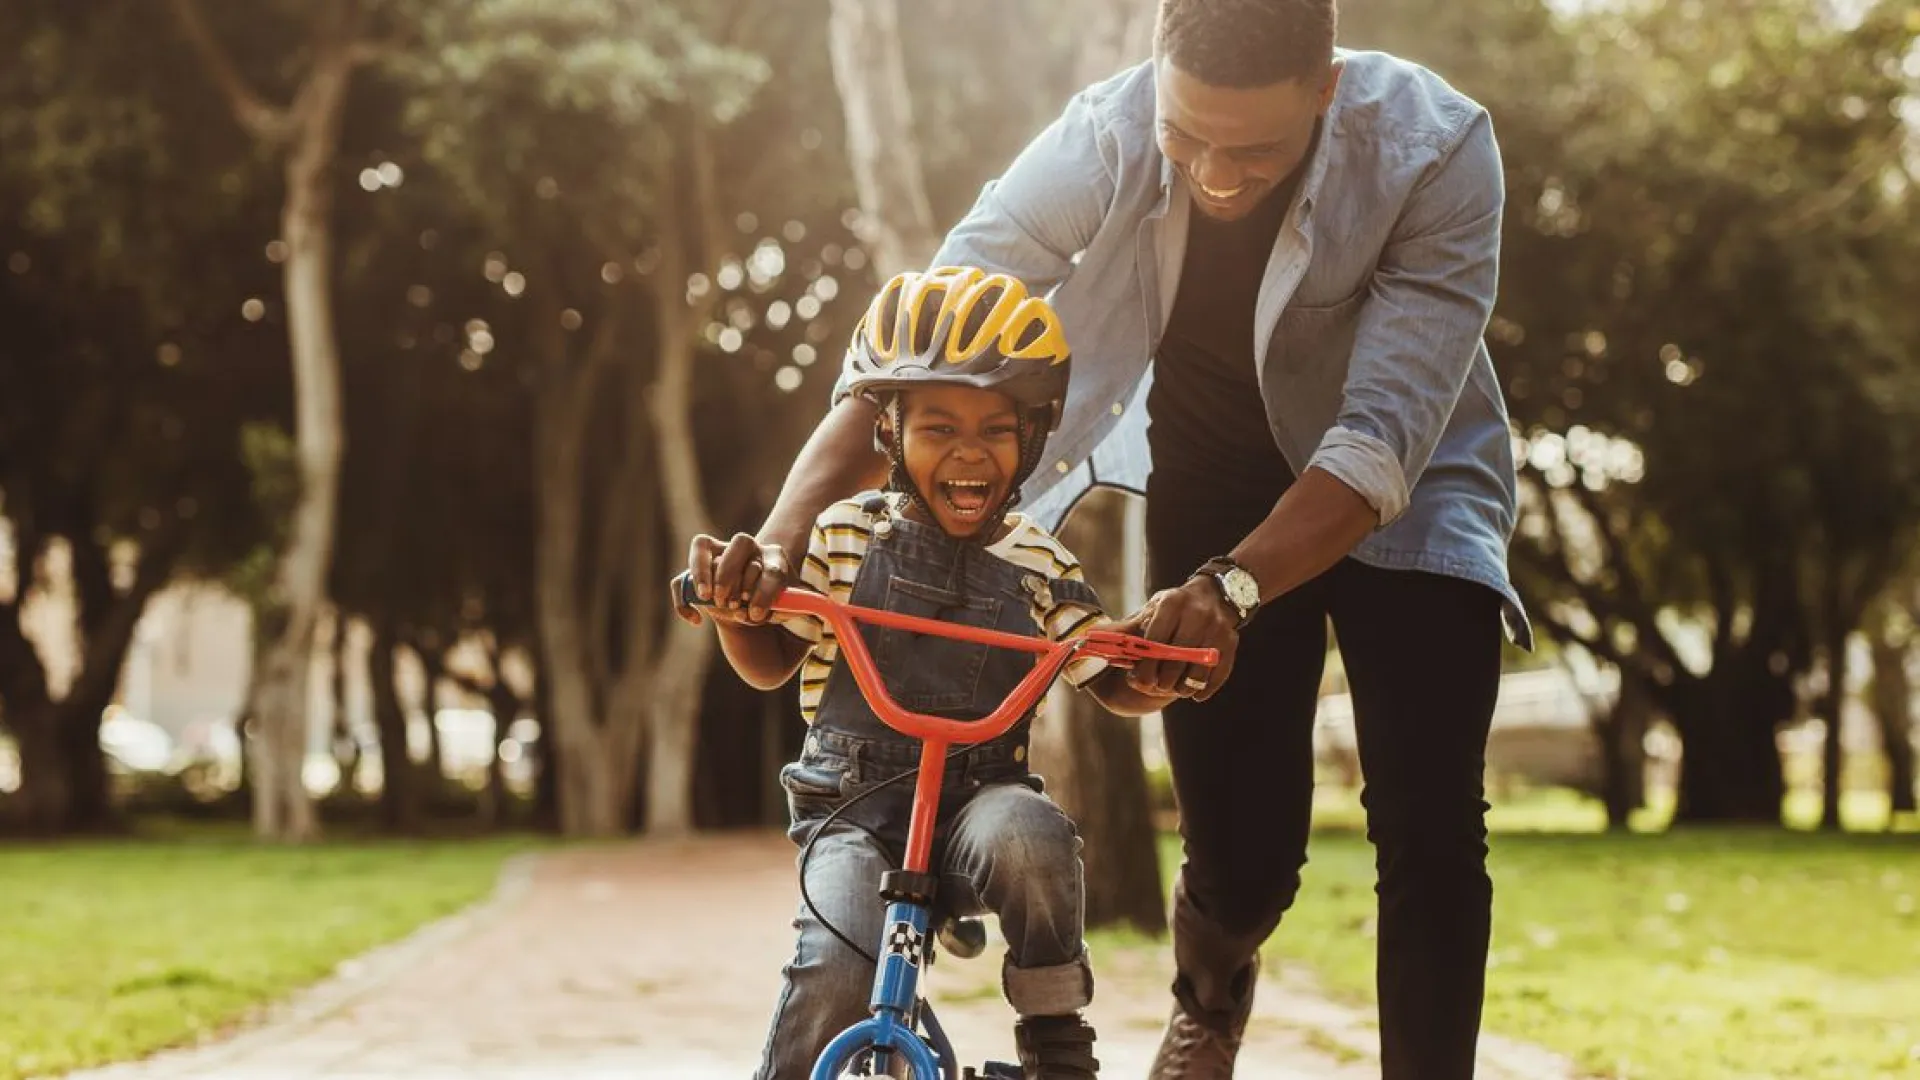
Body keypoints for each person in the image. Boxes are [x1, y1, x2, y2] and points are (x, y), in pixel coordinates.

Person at [679, 1, 1537, 1076]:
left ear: (1328, 89)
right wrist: (787, 532)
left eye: (1255, 150)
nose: (1217, 178)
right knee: (1244, 855)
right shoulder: (1105, 132)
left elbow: (1379, 441)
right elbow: (934, 330)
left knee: (1430, 819)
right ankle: (1212, 996)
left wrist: (1231, 590)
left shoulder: (1439, 148)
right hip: (1217, 475)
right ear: (1156, 78)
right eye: (1191, 140)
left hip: (1407, 486)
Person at [680, 267, 1180, 1080]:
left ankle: (1057, 1040)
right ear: (889, 434)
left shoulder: (1039, 563)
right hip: (852, 810)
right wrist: (740, 612)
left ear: (1034, 436)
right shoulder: (846, 535)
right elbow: (771, 661)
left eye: (996, 428)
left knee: (1033, 834)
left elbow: (1102, 668)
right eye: (938, 427)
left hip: (977, 809)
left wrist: (1151, 671)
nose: (969, 452)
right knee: (838, 963)